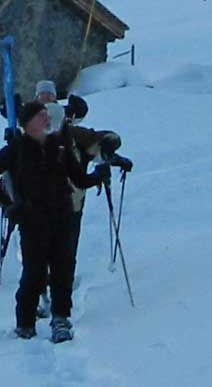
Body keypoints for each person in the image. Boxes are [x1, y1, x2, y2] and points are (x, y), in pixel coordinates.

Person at [0, 100, 107, 343]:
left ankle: (61, 318)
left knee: (63, 269)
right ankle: (25, 323)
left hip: (63, 215)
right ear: (28, 123)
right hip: (32, 219)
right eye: (41, 116)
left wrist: (97, 176)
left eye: (47, 116)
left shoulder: (60, 146)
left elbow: (78, 179)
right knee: (34, 274)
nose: (47, 120)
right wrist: (7, 205)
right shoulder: (16, 148)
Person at [60, 94, 134, 289]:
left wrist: (113, 157)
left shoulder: (76, 136)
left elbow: (99, 145)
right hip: (57, 204)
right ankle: (54, 296)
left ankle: (56, 296)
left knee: (61, 252)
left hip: (68, 204)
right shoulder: (40, 137)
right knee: (59, 252)